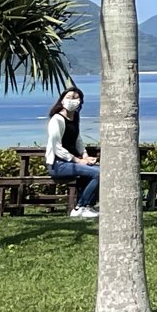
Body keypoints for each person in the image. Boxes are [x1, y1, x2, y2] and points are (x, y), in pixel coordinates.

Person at [44, 87, 99, 218]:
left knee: (98, 171)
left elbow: (78, 140)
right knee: (98, 173)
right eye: (69, 97)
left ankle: (87, 206)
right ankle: (81, 207)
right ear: (62, 100)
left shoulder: (74, 118)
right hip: (58, 164)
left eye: (75, 98)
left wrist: (85, 156)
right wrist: (79, 161)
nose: (72, 101)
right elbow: (57, 147)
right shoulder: (57, 120)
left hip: (71, 163)